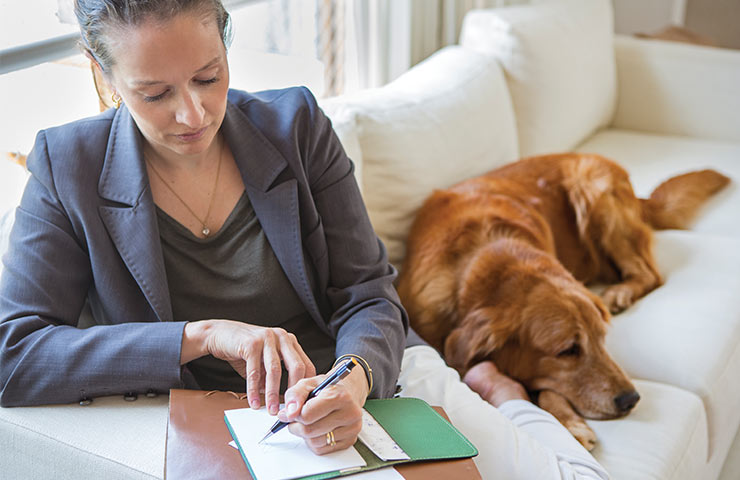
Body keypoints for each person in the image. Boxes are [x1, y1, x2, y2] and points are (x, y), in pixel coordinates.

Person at [0, 1, 609, 478]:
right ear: (103, 75)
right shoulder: (66, 164)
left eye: (209, 77)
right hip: (228, 424)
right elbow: (13, 355)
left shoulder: (296, 127)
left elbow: (369, 293)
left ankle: (500, 391)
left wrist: (355, 377)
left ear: (226, 42)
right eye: (154, 94)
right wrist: (201, 336)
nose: (192, 114)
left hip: (363, 379)